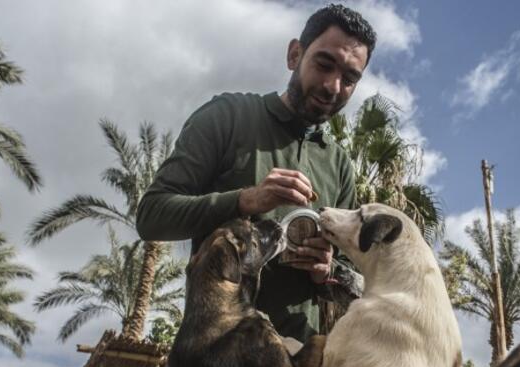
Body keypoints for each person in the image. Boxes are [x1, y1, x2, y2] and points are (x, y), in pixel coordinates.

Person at [136, 3, 376, 343]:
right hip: (216, 366)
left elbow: (355, 277)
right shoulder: (228, 116)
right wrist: (246, 200)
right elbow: (151, 216)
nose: (333, 87)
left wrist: (327, 271)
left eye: (349, 78)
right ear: (295, 55)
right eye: (324, 65)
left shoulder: (338, 163)